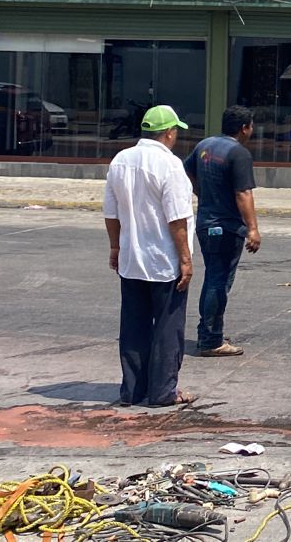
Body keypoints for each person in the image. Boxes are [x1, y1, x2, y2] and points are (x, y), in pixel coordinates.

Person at [104, 105, 197, 408]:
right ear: (169, 132)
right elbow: (177, 218)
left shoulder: (120, 160)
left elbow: (111, 212)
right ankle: (162, 391)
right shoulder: (170, 165)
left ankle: (132, 390)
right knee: (168, 327)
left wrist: (115, 247)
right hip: (163, 260)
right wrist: (185, 259)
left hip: (132, 258)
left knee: (134, 326)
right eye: (175, 132)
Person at [183, 105, 262, 358]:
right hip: (226, 227)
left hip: (205, 224)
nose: (252, 130)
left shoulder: (204, 145)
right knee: (218, 282)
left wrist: (203, 195)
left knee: (212, 278)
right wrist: (253, 229)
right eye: (251, 126)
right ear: (244, 128)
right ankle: (210, 339)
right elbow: (244, 193)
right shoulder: (239, 153)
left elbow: (187, 173)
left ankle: (209, 331)